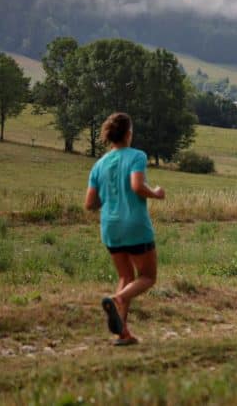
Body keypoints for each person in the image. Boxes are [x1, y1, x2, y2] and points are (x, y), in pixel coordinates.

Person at [84, 112, 165, 346]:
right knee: (148, 277)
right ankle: (117, 297)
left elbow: (90, 204)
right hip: (134, 225)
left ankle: (123, 333)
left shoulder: (99, 164)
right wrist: (156, 194)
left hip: (110, 227)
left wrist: (109, 197)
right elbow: (137, 186)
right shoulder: (137, 156)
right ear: (128, 133)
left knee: (126, 276)